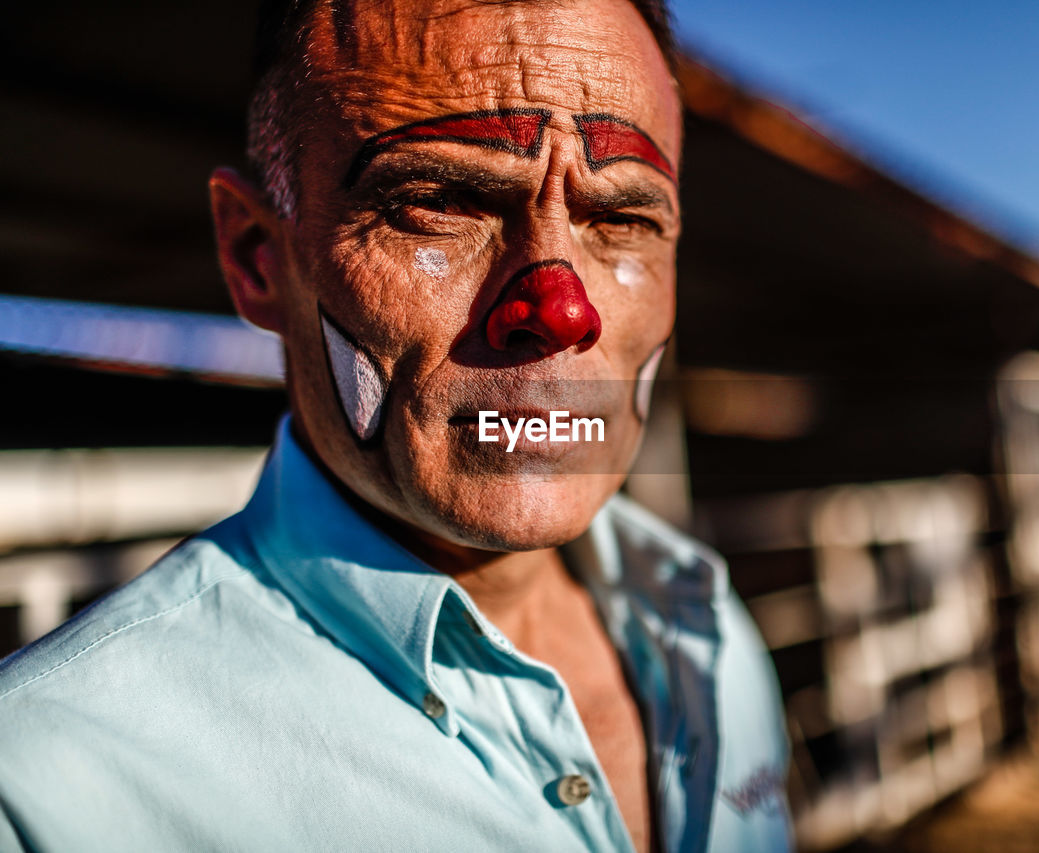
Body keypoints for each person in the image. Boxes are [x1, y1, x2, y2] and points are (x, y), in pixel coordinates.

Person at [0, 1, 791, 850]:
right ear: (258, 256)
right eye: (440, 200)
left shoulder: (705, 627)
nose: (561, 309)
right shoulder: (46, 785)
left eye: (623, 219)